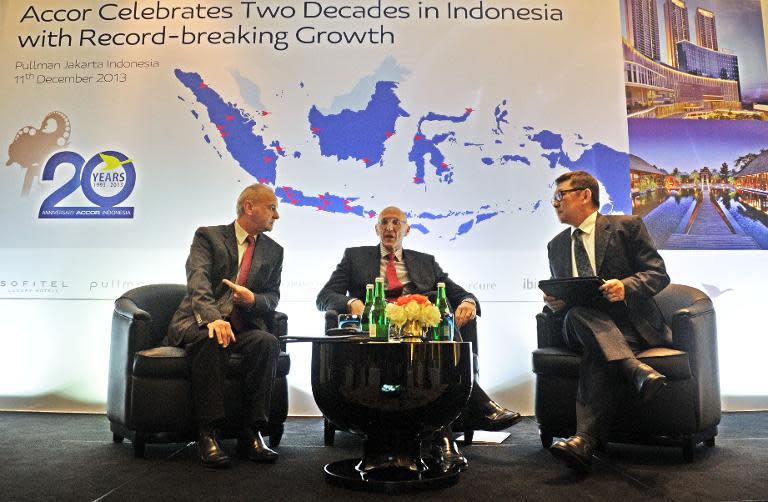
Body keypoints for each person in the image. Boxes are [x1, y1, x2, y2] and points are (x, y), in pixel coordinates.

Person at [316, 205, 522, 471]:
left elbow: (458, 292)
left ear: (407, 229)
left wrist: (469, 302)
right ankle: (474, 413)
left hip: (421, 330)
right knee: (439, 338)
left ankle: (448, 437)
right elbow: (324, 297)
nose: (390, 227)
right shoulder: (355, 257)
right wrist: (352, 302)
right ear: (377, 228)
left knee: (445, 323)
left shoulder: (426, 261)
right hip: (377, 331)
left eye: (396, 222)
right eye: (385, 222)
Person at [543, 171, 671, 473]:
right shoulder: (556, 245)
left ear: (584, 195)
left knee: (598, 353)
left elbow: (658, 274)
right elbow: (562, 293)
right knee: (576, 314)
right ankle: (635, 370)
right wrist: (556, 303)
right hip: (577, 323)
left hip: (629, 327)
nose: (555, 204)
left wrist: (626, 286)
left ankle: (583, 441)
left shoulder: (627, 227)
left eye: (560, 196)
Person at [165, 184, 283, 468]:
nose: (276, 216)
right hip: (199, 322)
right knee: (213, 337)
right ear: (249, 207)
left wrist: (253, 298)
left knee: (267, 343)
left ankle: (251, 434)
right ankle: (209, 433)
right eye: (272, 208)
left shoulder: (274, 251)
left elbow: (273, 296)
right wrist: (213, 318)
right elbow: (198, 280)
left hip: (242, 326)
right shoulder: (209, 236)